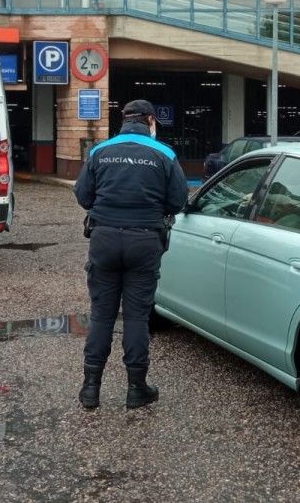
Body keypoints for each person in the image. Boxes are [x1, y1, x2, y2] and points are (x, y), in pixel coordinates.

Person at [74, 98, 189, 411]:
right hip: (145, 241)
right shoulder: (164, 154)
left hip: (105, 239)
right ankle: (137, 388)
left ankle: (90, 389)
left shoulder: (100, 151)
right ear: (150, 120)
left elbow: (83, 196)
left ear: (123, 120)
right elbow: (178, 200)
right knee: (137, 316)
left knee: (101, 314)